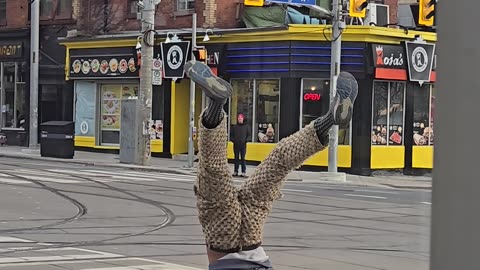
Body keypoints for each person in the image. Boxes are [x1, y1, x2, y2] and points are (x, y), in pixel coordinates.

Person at [184, 60, 358, 270]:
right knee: (214, 170)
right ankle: (215, 104)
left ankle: (328, 120)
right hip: (223, 239)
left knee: (279, 164)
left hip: (253, 238)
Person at [231, 113, 251, 177]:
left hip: (243, 145)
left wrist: (246, 141)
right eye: (239, 118)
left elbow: (249, 136)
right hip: (236, 145)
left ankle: (243, 172)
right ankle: (235, 171)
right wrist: (234, 141)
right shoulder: (235, 127)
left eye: (241, 118)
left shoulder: (246, 127)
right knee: (236, 158)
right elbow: (231, 136)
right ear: (237, 119)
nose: (240, 120)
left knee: (243, 158)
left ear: (243, 119)